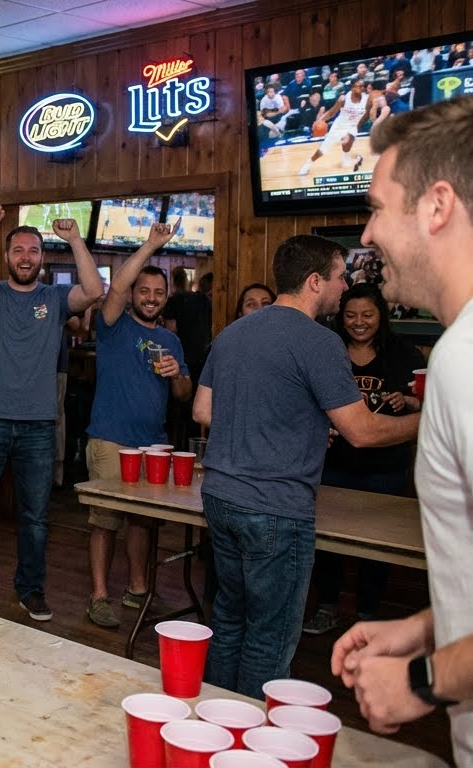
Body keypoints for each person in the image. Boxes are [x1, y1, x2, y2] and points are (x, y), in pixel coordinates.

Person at [192, 234, 420, 700]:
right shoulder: (320, 342)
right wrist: (430, 420)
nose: (344, 287)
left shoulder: (233, 333)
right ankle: (254, 733)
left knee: (229, 618)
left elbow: (203, 410)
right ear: (315, 282)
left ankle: (215, 721)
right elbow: (362, 431)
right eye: (340, 277)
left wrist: (295, 425)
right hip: (275, 506)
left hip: (220, 497)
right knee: (269, 635)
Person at [330, 96, 473, 759]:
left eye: (377, 208)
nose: (366, 236)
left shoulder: (464, 358)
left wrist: (423, 678)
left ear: (436, 206)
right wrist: (426, 629)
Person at [0, 204, 105, 617]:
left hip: (37, 426)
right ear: (7, 257)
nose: (26, 257)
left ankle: (31, 589)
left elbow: (93, 291)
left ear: (41, 258)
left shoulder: (54, 298)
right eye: (18, 250)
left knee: (35, 518)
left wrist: (75, 239)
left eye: (33, 250)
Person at [83, 221, 191, 629]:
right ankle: (98, 597)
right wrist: (150, 245)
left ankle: (138, 590)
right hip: (111, 439)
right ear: (132, 294)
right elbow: (114, 289)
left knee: (142, 520)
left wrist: (176, 375)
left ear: (167, 297)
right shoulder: (114, 325)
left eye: (158, 293)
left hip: (154, 445)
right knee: (104, 521)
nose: (151, 298)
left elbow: (184, 393)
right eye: (144, 291)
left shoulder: (171, 340)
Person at [302, 282, 424, 636]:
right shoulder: (328, 350)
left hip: (384, 468)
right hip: (332, 464)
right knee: (326, 544)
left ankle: (368, 614)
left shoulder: (403, 354)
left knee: (378, 549)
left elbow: (425, 401)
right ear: (340, 317)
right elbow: (308, 399)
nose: (358, 322)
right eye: (351, 315)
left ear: (381, 316)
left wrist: (407, 402)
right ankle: (326, 607)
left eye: (367, 315)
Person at [298, 78, 370, 176]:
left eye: (362, 86)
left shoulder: (366, 99)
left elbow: (368, 112)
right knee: (323, 149)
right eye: (358, 86)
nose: (361, 88)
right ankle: (308, 164)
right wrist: (319, 120)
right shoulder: (343, 99)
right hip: (339, 126)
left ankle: (346, 158)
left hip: (352, 126)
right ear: (352, 87)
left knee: (347, 142)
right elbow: (331, 113)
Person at [163, 266, 211, 382]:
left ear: (172, 280)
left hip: (182, 356)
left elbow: (171, 330)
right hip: (203, 355)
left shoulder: (173, 301)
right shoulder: (202, 298)